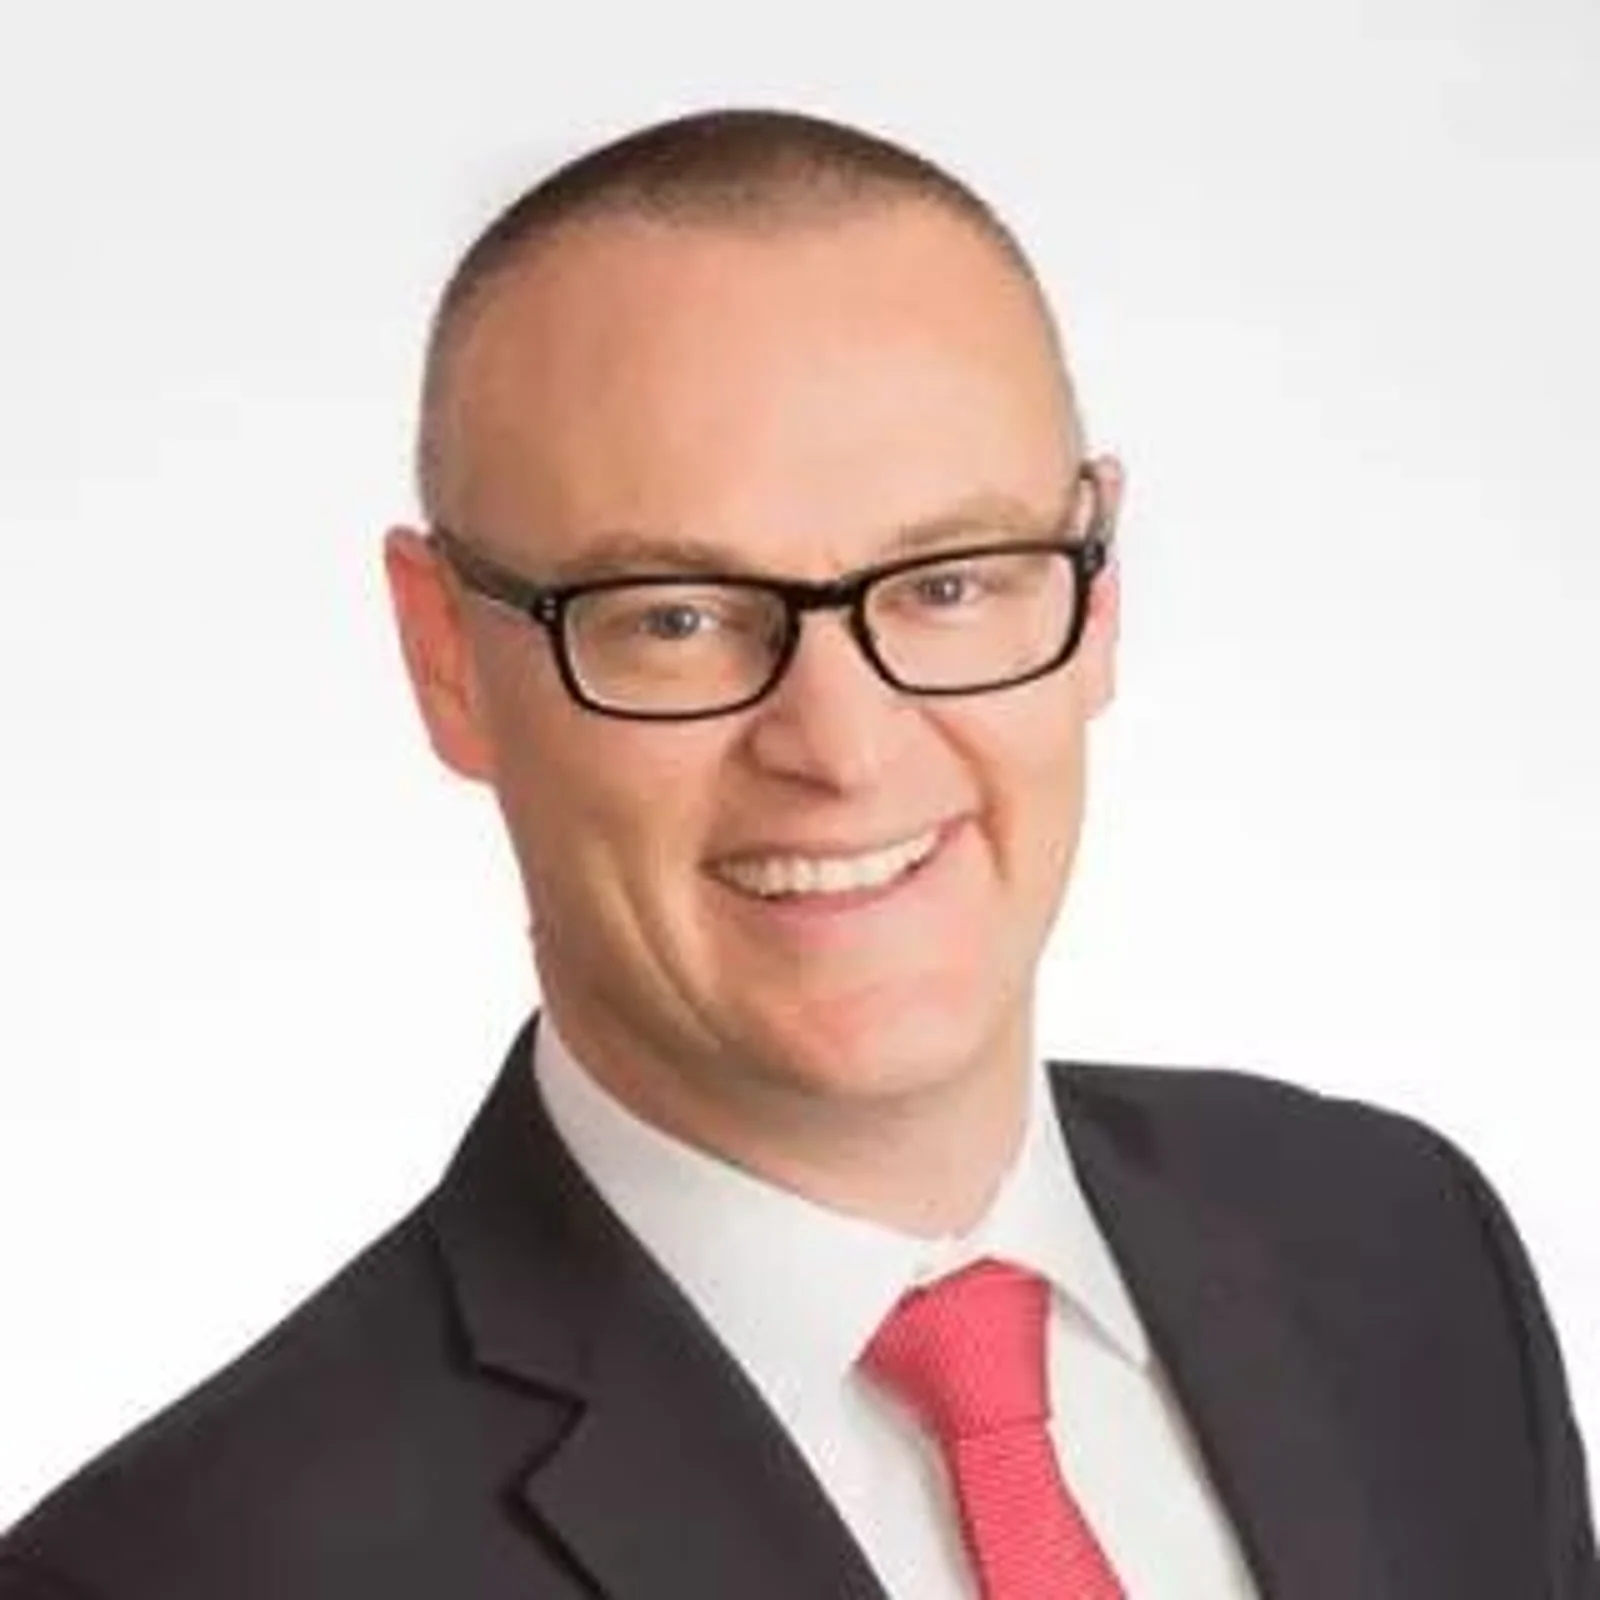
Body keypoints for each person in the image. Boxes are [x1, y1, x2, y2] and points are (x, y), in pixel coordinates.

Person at [1, 106, 1593, 1600]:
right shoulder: (186, 1568)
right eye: (676, 618)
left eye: (951, 583)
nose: (843, 747)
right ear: (444, 658)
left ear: (1098, 593)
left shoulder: (1400, 1248)